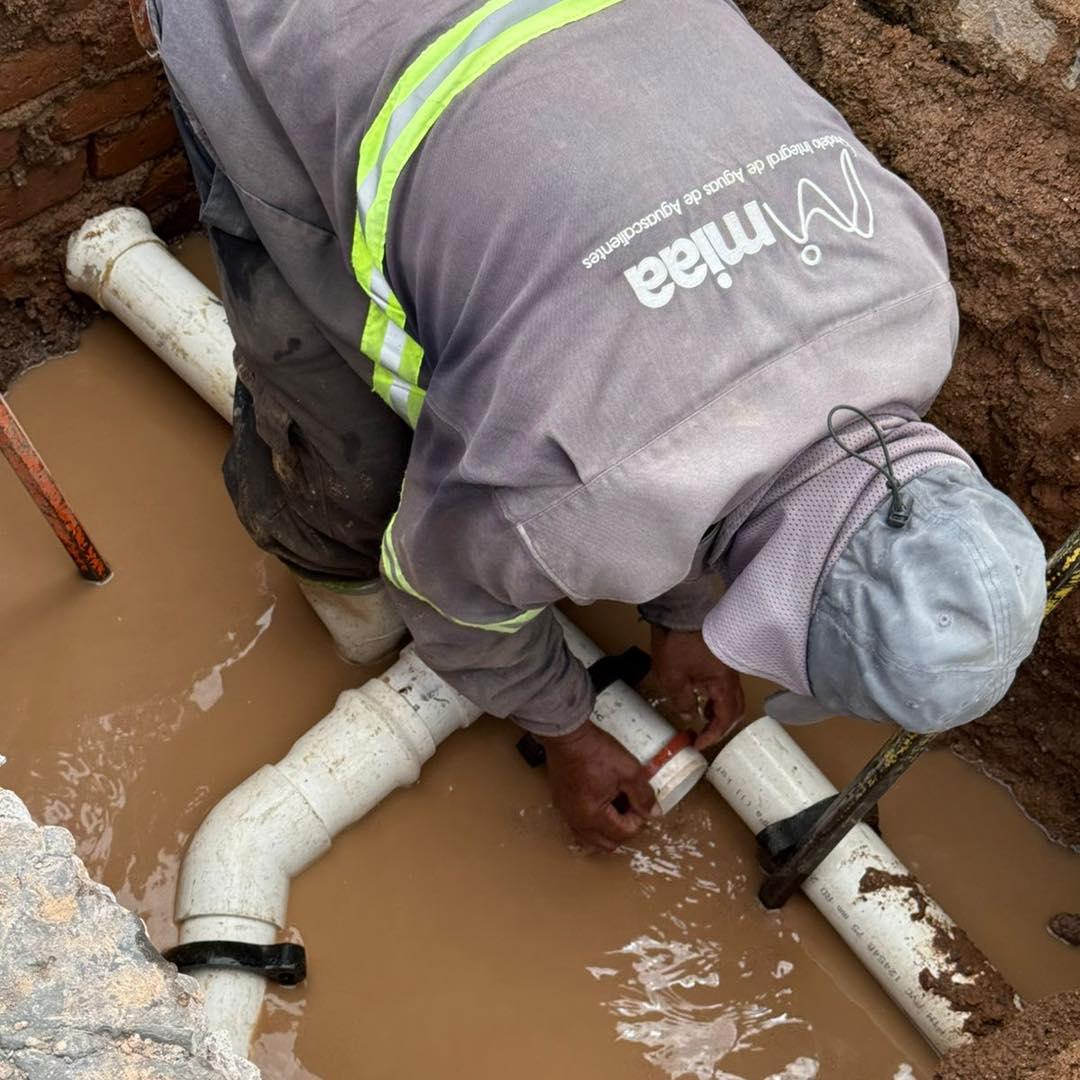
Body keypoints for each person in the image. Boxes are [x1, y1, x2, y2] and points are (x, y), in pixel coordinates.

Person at [141, 0, 1046, 853]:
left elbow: (739, 445)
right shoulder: (573, 503)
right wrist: (563, 727)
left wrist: (686, 620)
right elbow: (441, 588)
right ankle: (333, 584)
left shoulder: (920, 298)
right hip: (279, 29)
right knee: (347, 463)